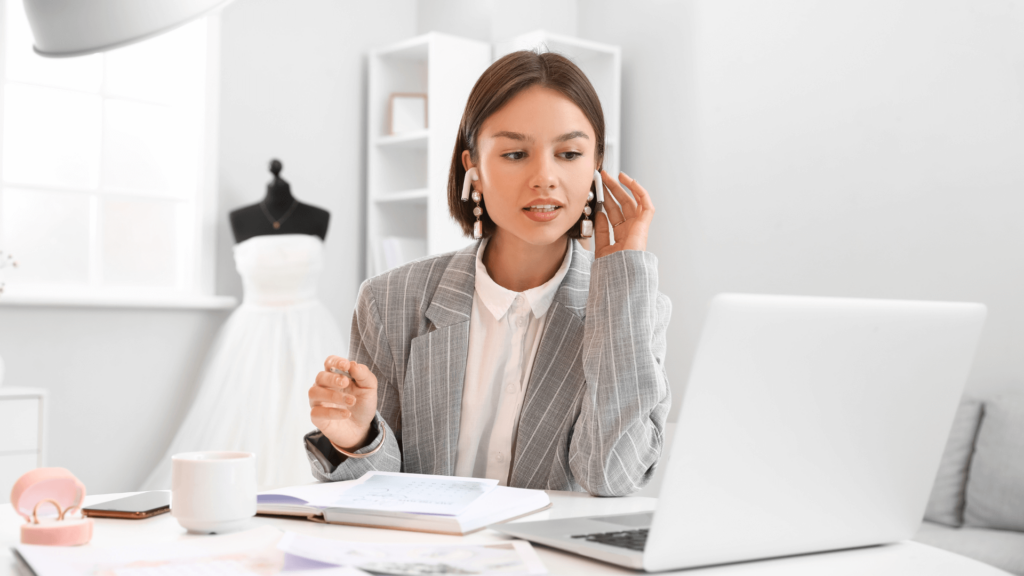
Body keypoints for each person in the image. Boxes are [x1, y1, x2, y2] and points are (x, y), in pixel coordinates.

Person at [303, 50, 671, 496]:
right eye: (515, 153)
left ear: (595, 168)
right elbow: (383, 490)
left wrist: (621, 277)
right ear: (472, 170)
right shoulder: (389, 300)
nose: (545, 177)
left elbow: (611, 475)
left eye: (570, 153)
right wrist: (357, 440)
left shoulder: (632, 309)